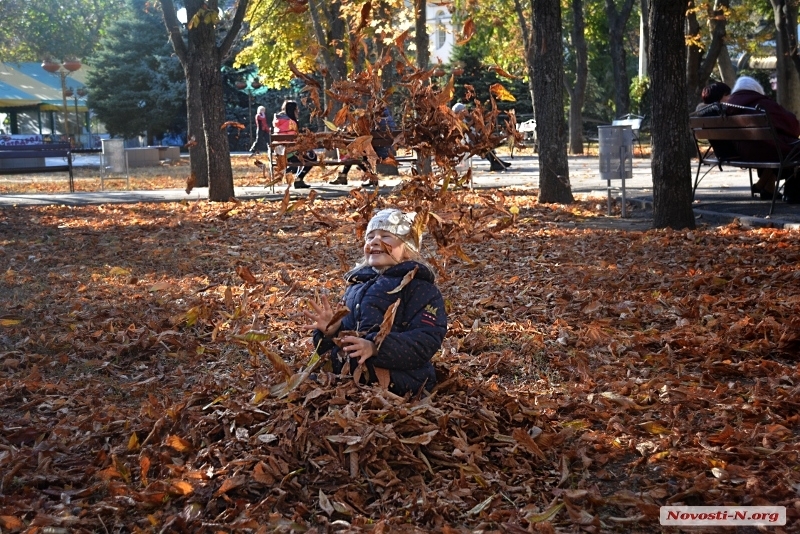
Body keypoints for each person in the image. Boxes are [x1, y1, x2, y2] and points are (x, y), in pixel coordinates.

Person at [303, 208, 448, 396]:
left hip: (402, 378)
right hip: (351, 373)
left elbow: (426, 339)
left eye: (386, 236)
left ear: (408, 249)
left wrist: (375, 347)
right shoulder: (356, 287)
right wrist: (332, 332)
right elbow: (346, 338)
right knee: (305, 383)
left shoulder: (421, 289)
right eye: (370, 237)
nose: (375, 241)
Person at [725, 76, 800, 199]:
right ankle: (792, 193)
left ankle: (767, 188)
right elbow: (793, 126)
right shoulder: (763, 104)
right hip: (767, 151)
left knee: (768, 145)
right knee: (786, 148)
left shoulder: (728, 107)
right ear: (757, 89)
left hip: (743, 152)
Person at [330, 107, 397, 188]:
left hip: (377, 152)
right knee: (355, 155)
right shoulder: (390, 120)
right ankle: (346, 176)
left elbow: (367, 133)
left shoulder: (377, 120)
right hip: (387, 151)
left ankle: (346, 176)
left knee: (355, 155)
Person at [452, 101, 511, 172]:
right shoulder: (460, 121)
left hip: (476, 138)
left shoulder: (467, 118)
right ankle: (496, 163)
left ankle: (497, 163)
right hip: (470, 142)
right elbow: (467, 132)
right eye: (464, 109)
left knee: (488, 141)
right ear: (460, 112)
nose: (466, 110)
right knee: (485, 144)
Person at [273, 100, 317, 189]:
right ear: (292, 110)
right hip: (290, 154)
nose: (298, 111)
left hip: (279, 153)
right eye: (296, 109)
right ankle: (298, 179)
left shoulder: (278, 121)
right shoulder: (291, 123)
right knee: (313, 157)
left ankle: (290, 174)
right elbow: (295, 141)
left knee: (305, 156)